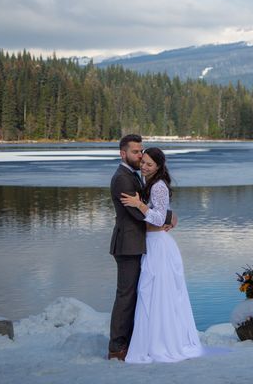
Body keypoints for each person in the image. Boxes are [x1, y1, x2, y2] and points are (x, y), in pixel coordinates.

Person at [119, 147, 204, 363]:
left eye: (149, 164)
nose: (144, 167)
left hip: (159, 246)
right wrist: (172, 217)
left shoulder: (158, 186)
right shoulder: (147, 182)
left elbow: (158, 219)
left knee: (158, 294)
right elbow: (164, 214)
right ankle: (151, 339)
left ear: (158, 166)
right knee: (151, 293)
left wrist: (139, 204)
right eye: (143, 162)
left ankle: (161, 342)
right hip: (151, 243)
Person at [107, 135, 175, 361]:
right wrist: (171, 216)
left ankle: (134, 340)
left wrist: (165, 215)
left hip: (138, 243)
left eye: (141, 151)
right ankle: (117, 348)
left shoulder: (134, 175)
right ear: (122, 153)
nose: (139, 156)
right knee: (126, 296)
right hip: (128, 244)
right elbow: (138, 213)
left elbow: (147, 208)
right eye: (135, 152)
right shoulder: (123, 179)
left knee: (138, 295)